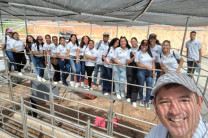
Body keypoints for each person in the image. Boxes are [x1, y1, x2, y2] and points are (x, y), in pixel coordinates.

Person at [145, 72, 208, 138]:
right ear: (156, 107)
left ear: (199, 104)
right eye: (164, 102)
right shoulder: (156, 133)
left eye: (184, 100)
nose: (175, 111)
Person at [135, 40, 156, 109]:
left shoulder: (150, 53)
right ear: (140, 46)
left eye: (146, 45)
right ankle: (141, 98)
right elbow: (138, 64)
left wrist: (153, 72)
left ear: (148, 46)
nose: (144, 46)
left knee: (149, 86)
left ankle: (147, 101)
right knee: (141, 86)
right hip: (141, 71)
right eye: (143, 45)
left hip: (149, 72)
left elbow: (153, 63)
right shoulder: (138, 53)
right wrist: (146, 66)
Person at [126, 37, 139, 105]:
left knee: (136, 82)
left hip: (138, 67)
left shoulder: (140, 48)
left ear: (137, 41)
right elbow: (128, 61)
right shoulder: (129, 50)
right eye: (132, 42)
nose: (133, 43)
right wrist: (134, 57)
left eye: (134, 41)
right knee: (129, 81)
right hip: (131, 66)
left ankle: (134, 99)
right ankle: (128, 96)